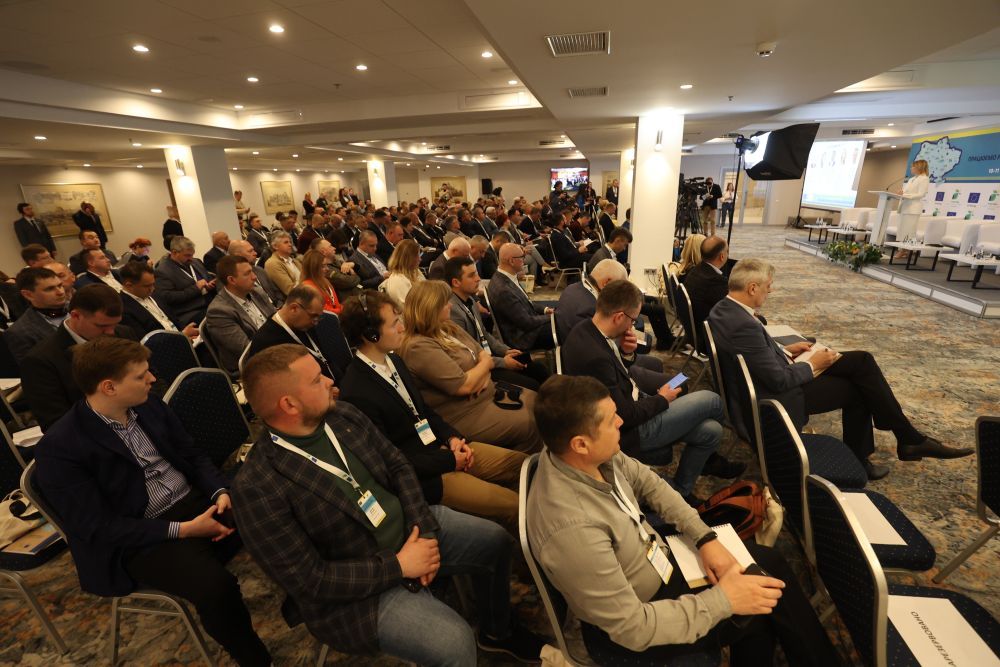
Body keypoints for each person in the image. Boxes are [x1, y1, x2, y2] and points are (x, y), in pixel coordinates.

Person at [231, 344, 546, 664]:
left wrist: (423, 531)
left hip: (412, 531)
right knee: (454, 644)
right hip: (357, 592)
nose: (329, 381)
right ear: (289, 404)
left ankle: (497, 631)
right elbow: (310, 580)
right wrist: (400, 566)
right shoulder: (257, 487)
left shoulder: (343, 415)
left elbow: (399, 467)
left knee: (494, 541)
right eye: (316, 380)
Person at [525, 375, 840, 667]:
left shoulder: (591, 456)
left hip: (652, 560)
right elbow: (631, 628)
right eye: (611, 420)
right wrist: (725, 600)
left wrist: (705, 538)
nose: (621, 421)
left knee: (768, 568)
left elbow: (651, 485)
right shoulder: (573, 530)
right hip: (635, 620)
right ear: (580, 443)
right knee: (759, 606)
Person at [33, 337, 272, 666]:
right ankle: (256, 660)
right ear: (109, 387)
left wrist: (220, 492)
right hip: (142, 536)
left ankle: (314, 602)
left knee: (278, 509)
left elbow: (192, 455)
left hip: (195, 502)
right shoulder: (61, 447)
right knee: (216, 588)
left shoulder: (149, 405)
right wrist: (184, 530)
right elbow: (98, 527)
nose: (152, 379)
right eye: (140, 375)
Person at [708, 258, 973, 481]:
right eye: (768, 287)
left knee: (861, 362)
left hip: (765, 381)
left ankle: (906, 437)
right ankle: (898, 443)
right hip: (776, 400)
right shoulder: (745, 325)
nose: (771, 291)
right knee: (858, 389)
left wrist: (786, 351)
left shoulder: (723, 308)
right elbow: (778, 380)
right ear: (752, 288)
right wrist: (812, 364)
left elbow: (751, 355)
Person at [338, 291, 525, 533]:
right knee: (514, 505)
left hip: (442, 449)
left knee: (522, 466)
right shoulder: (357, 391)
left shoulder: (394, 361)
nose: (402, 328)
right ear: (371, 335)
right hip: (426, 477)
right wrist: (450, 460)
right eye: (394, 324)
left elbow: (423, 410)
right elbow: (390, 461)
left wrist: (452, 438)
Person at [563, 280, 737, 501]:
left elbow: (616, 376)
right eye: (633, 320)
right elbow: (626, 415)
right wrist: (662, 399)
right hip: (634, 427)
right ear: (619, 317)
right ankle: (709, 461)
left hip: (638, 398)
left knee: (710, 429)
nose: (632, 326)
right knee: (712, 399)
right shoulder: (595, 357)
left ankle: (682, 490)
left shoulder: (587, 330)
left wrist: (627, 354)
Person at [399, 280, 543, 454]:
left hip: (485, 395)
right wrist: (483, 369)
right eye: (445, 303)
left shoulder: (447, 326)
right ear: (431, 308)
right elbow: (464, 385)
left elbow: (482, 353)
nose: (450, 305)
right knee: (531, 423)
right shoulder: (418, 346)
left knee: (538, 401)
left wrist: (480, 372)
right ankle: (522, 465)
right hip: (463, 414)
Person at [21, 284, 136, 431]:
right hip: (94, 433)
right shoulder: (40, 361)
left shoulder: (124, 333)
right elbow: (56, 423)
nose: (111, 332)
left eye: (115, 324)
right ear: (76, 316)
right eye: (102, 326)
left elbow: (151, 378)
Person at [445, 256, 550, 391]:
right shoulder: (452, 310)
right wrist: (502, 362)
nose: (478, 279)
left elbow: (484, 333)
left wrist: (505, 350)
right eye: (471, 276)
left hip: (488, 357)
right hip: (478, 367)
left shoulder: (470, 301)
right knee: (532, 384)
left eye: (476, 273)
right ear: (456, 282)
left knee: (537, 368)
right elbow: (468, 353)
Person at [205, 255, 276, 376]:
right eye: (247, 274)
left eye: (252, 271)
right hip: (252, 367)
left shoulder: (257, 292)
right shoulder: (218, 312)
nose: (254, 277)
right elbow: (247, 351)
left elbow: (276, 321)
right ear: (232, 280)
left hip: (275, 349)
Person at [485, 244, 555, 351]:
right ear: (512, 261)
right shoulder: (504, 290)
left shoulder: (504, 277)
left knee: (566, 321)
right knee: (567, 326)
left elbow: (526, 302)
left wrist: (545, 310)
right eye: (522, 257)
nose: (524, 260)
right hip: (524, 337)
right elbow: (527, 323)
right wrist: (552, 317)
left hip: (526, 328)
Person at [119, 262, 199, 339]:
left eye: (153, 284)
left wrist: (188, 331)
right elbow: (146, 342)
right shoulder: (123, 309)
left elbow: (173, 318)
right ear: (129, 285)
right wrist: (183, 335)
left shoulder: (152, 293)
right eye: (147, 286)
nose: (152, 289)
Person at [6, 267, 67, 363]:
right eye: (50, 289)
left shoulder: (79, 307)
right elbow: (34, 369)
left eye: (60, 285)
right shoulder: (19, 332)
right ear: (28, 295)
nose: (60, 292)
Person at [154, 236, 216, 326]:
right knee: (220, 317)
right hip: (190, 312)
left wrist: (209, 285)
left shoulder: (195, 262)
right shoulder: (162, 271)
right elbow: (168, 298)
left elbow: (207, 277)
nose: (191, 258)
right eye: (187, 255)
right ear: (174, 253)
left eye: (192, 254)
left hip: (210, 303)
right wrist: (196, 288)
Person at [683, 235, 730, 334]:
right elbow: (731, 311)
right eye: (727, 251)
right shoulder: (716, 281)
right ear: (722, 256)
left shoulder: (695, 270)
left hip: (693, 328)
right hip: (708, 335)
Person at [228, 239, 284, 308]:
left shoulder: (259, 270)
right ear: (238, 256)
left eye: (253, 250)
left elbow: (277, 292)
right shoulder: (234, 279)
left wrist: (280, 306)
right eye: (250, 251)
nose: (255, 253)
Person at [893, 158, 930, 260]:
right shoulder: (912, 179)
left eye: (913, 167)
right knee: (902, 230)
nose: (911, 168)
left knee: (909, 231)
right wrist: (901, 193)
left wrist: (905, 195)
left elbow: (921, 194)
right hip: (905, 207)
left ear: (919, 167)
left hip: (913, 208)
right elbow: (906, 192)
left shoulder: (924, 179)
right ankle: (905, 250)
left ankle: (904, 250)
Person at [379, 238, 424, 305]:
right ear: (409, 259)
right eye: (417, 256)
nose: (420, 259)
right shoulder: (397, 280)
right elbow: (408, 308)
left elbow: (428, 290)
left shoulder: (414, 271)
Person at [299, 248, 342, 314]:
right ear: (313, 268)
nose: (327, 269)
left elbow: (336, 304)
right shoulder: (307, 287)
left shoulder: (325, 281)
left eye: (326, 265)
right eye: (323, 266)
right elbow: (323, 311)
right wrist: (342, 311)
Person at [263, 230, 302, 296]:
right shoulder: (272, 263)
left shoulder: (294, 260)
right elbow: (290, 290)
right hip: (296, 298)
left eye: (290, 242)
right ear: (275, 246)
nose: (290, 245)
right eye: (286, 242)